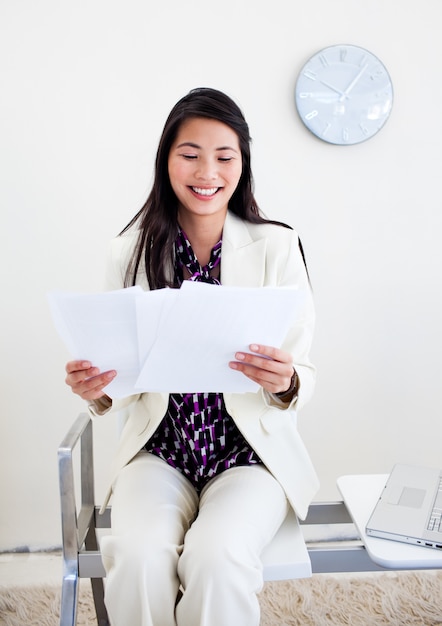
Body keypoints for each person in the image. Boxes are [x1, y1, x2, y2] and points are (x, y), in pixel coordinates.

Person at [65, 87, 319, 626]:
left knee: (217, 556)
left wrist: (285, 381)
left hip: (249, 456)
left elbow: (302, 376)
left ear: (242, 165)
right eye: (189, 154)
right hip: (159, 451)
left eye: (224, 156)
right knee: (136, 556)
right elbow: (118, 379)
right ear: (166, 161)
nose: (207, 171)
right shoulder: (127, 251)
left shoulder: (278, 246)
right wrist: (99, 389)